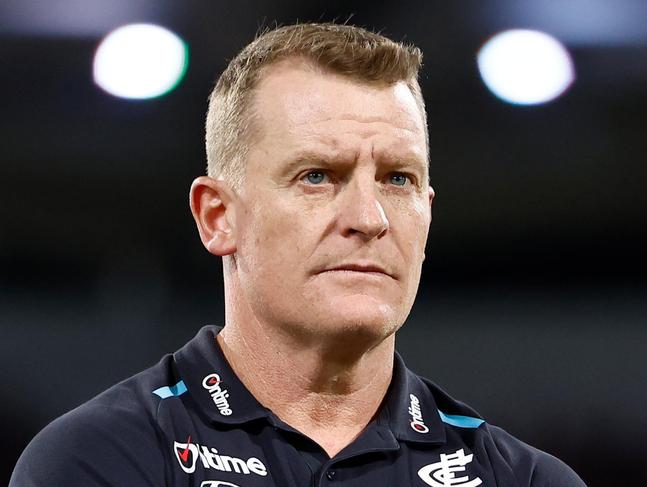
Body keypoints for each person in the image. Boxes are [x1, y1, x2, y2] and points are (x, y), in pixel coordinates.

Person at [11, 23, 586, 486]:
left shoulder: (523, 478)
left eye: (398, 179)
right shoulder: (100, 461)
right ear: (218, 217)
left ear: (428, 210)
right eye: (318, 176)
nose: (369, 219)